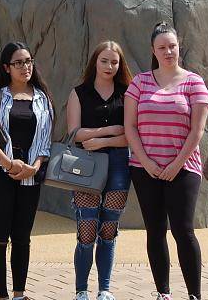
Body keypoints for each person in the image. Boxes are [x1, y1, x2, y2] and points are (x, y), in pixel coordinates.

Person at [124, 22, 208, 300]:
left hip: (183, 168)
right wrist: (146, 162)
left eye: (172, 46)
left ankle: (194, 294)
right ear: (153, 50)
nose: (168, 51)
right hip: (145, 169)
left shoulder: (194, 82)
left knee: (183, 231)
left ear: (179, 46)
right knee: (155, 230)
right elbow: (130, 127)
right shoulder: (139, 83)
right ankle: (163, 293)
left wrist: (176, 164)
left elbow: (197, 130)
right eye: (162, 47)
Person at [0, 42, 54, 300]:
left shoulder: (42, 97)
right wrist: (10, 164)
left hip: (30, 176)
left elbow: (45, 142)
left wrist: (34, 167)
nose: (25, 67)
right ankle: (2, 297)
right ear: (6, 67)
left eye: (28, 61)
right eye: (18, 63)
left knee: (22, 238)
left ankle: (19, 295)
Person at [66, 41, 134, 300]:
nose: (109, 66)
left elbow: (130, 136)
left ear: (120, 64)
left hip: (118, 166)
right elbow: (75, 134)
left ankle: (104, 290)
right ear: (95, 62)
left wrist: (102, 142)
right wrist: (108, 131)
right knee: (87, 231)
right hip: (86, 166)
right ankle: (81, 290)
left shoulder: (128, 93)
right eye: (104, 61)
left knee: (108, 230)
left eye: (114, 62)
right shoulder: (79, 93)